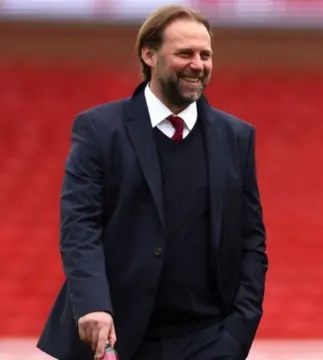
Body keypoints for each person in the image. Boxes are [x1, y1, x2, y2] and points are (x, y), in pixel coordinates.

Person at [37, 5, 267, 360]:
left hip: (208, 341)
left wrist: (239, 333)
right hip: (113, 338)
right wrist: (94, 306)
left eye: (205, 54)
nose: (198, 64)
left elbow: (251, 240)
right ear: (149, 54)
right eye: (184, 53)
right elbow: (79, 227)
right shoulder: (98, 129)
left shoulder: (237, 136)